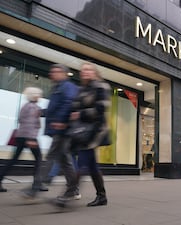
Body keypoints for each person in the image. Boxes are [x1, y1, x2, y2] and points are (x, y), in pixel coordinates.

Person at [23, 64, 79, 199]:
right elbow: (55, 108)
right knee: (65, 160)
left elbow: (68, 103)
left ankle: (35, 187)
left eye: (55, 71)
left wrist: (61, 120)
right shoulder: (57, 87)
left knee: (51, 157)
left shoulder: (67, 86)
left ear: (64, 73)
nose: (51, 74)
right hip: (59, 129)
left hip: (63, 129)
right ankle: (73, 189)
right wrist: (42, 112)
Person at [69, 62, 111, 207]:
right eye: (83, 70)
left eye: (88, 69)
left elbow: (100, 109)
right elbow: (74, 108)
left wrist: (80, 114)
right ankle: (102, 196)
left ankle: (68, 194)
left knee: (82, 162)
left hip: (96, 130)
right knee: (92, 166)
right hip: (83, 131)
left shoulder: (101, 86)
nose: (85, 72)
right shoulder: (82, 90)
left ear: (94, 72)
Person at [0, 87, 47, 192]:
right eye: (39, 94)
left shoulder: (26, 106)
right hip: (29, 137)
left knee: (14, 159)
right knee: (39, 158)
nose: (40, 96)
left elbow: (22, 120)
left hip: (21, 136)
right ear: (34, 96)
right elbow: (30, 123)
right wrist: (30, 139)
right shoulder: (32, 107)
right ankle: (37, 183)